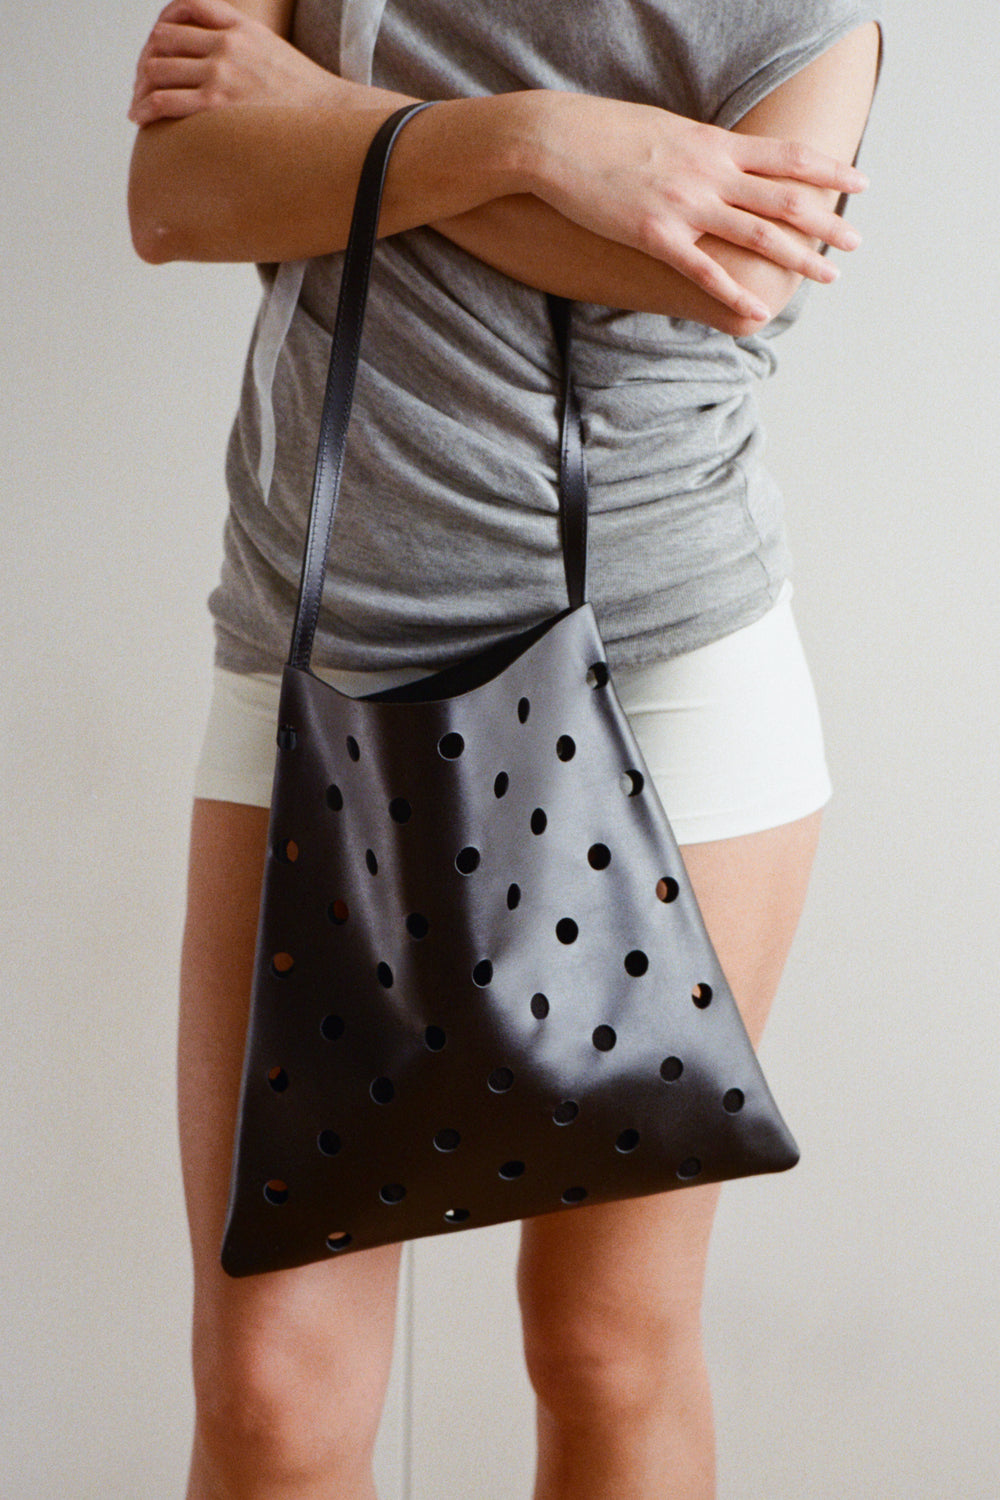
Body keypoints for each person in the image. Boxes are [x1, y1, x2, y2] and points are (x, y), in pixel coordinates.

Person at [127, 2, 882, 1495]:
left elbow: (730, 272)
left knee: (605, 1342)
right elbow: (179, 195)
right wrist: (542, 144)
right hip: (309, 659)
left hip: (663, 673)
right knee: (272, 1394)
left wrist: (329, 117)